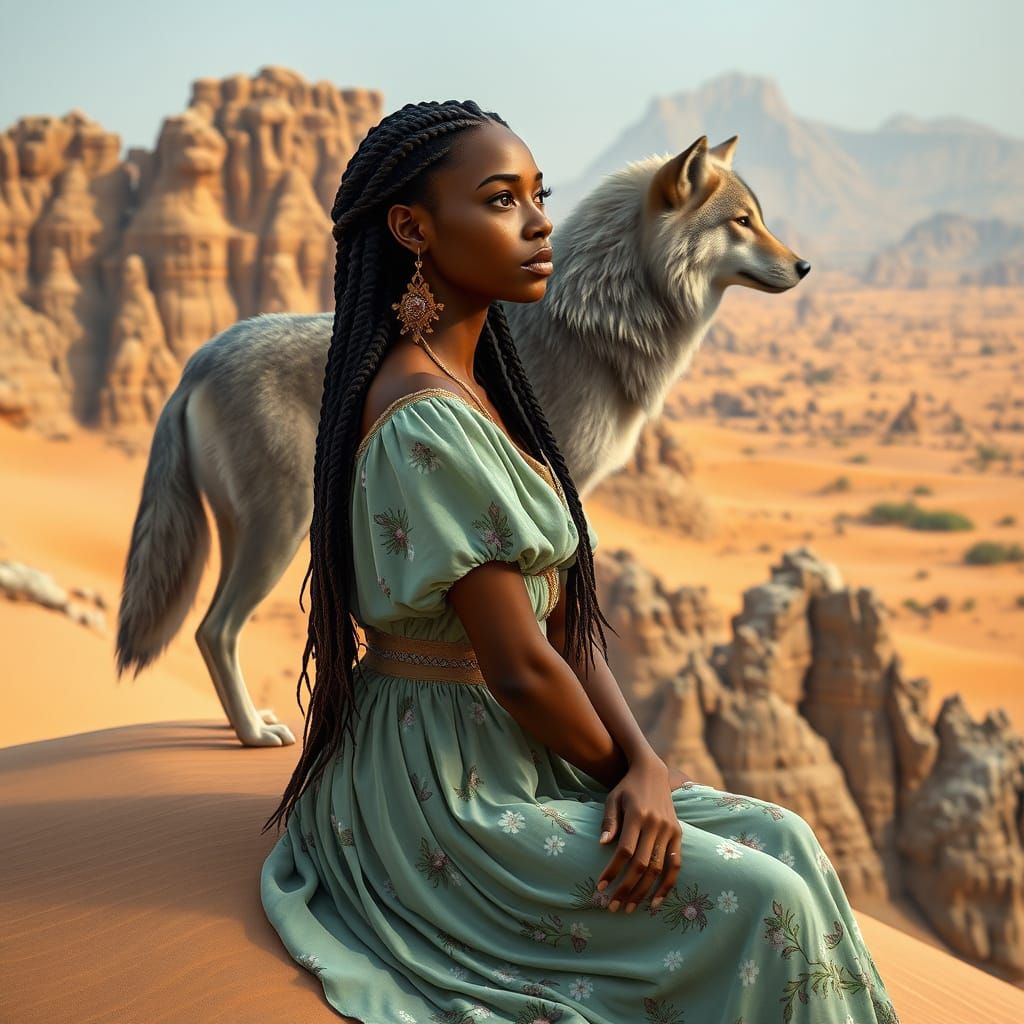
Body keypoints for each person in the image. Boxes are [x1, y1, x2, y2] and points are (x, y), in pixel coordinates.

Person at [259, 98, 901, 1024]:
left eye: (538, 195)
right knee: (771, 901)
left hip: (528, 749)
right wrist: (626, 779)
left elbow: (564, 614)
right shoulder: (425, 419)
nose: (538, 222)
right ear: (413, 230)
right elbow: (519, 669)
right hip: (445, 787)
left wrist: (641, 763)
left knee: (789, 837)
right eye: (499, 200)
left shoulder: (486, 391)